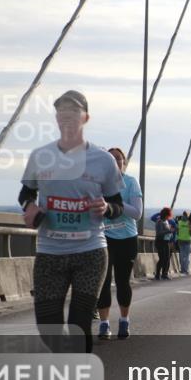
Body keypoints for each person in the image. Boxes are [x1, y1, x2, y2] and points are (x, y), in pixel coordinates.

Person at [19, 90, 124, 353]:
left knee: (79, 323)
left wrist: (107, 207)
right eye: (62, 111)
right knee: (48, 327)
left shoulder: (103, 160)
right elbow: (26, 192)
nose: (67, 116)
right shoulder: (40, 156)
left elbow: (118, 205)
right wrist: (29, 206)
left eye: (73, 111)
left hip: (90, 252)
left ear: (85, 118)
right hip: (50, 252)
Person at [97, 147, 142, 341]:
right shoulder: (98, 183)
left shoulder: (131, 182)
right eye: (111, 158)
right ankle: (104, 324)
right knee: (103, 282)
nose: (115, 161)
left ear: (124, 162)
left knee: (123, 282)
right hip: (103, 238)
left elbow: (137, 213)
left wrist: (116, 205)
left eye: (118, 158)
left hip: (127, 239)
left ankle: (124, 320)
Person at [154, 207, 174, 281]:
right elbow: (159, 233)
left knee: (167, 258)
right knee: (162, 258)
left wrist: (170, 232)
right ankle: (157, 274)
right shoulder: (159, 221)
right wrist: (169, 231)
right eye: (168, 215)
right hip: (160, 241)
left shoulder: (166, 221)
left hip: (166, 241)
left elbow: (167, 231)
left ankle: (164, 274)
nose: (168, 217)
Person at [176, 210, 191, 276]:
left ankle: (182, 269)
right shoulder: (189, 223)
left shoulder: (179, 222)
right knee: (187, 256)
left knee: (182, 256)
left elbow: (177, 231)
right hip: (188, 240)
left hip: (180, 240)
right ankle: (186, 270)